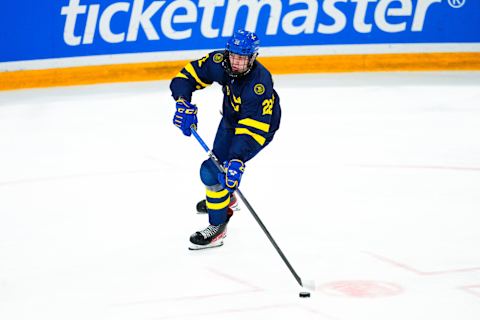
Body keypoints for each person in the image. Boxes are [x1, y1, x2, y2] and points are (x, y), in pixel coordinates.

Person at [170, 30, 281, 250]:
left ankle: (217, 226)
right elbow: (185, 76)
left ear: (253, 58)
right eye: (234, 56)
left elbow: (251, 130)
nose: (236, 63)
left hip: (258, 129)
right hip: (231, 120)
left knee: (213, 172)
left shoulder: (259, 83)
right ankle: (224, 198)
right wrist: (183, 102)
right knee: (216, 173)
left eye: (243, 58)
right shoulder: (221, 61)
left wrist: (237, 160)